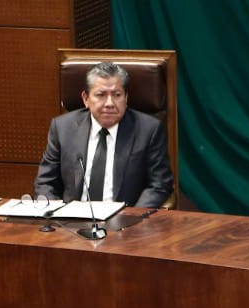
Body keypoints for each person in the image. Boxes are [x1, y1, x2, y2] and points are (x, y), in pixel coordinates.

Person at [34, 61, 174, 208]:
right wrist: (56, 214)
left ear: (126, 98)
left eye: (117, 95)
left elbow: (159, 184)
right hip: (73, 217)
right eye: (101, 95)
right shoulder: (63, 128)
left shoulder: (148, 130)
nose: (109, 103)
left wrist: (132, 217)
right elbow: (45, 182)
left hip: (124, 217)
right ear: (86, 99)